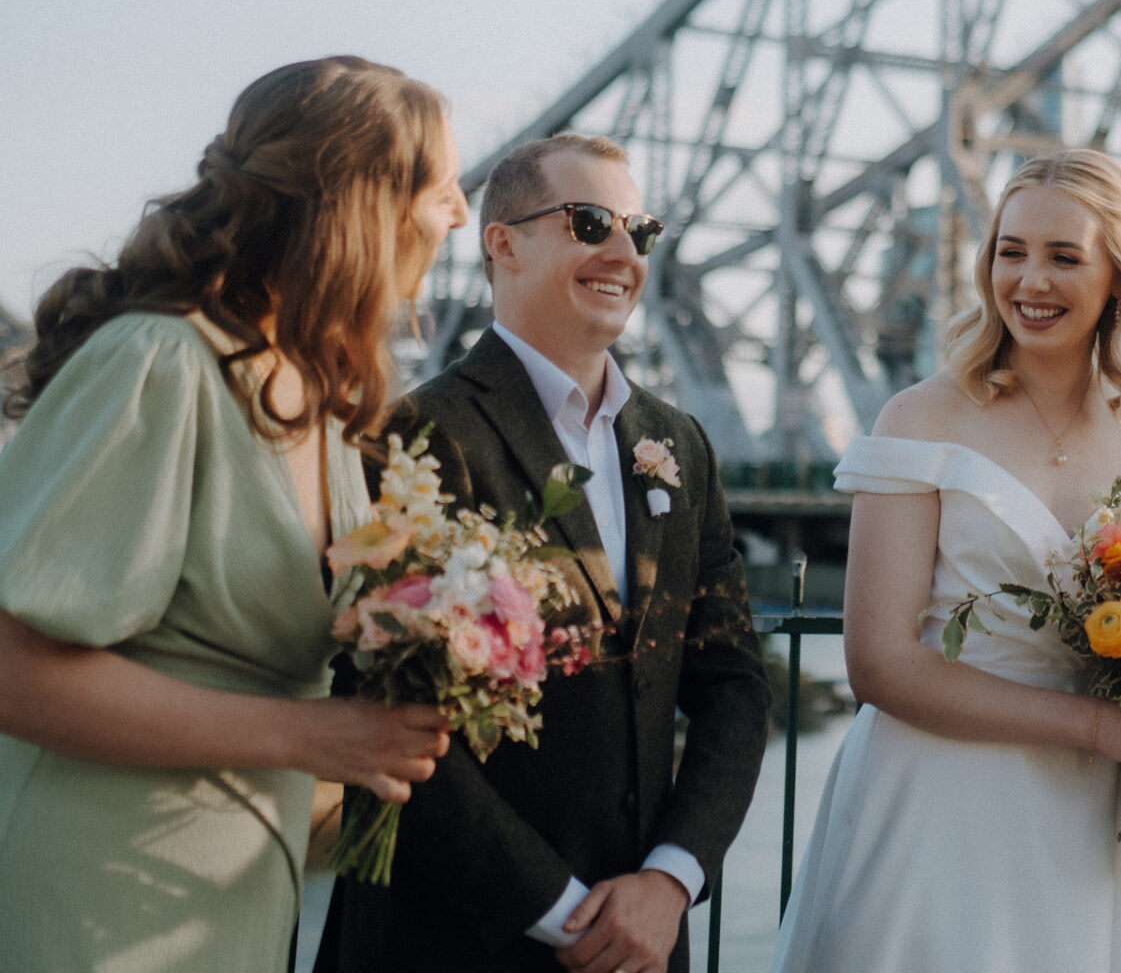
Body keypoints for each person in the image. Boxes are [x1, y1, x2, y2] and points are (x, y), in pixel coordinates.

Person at [0, 56, 464, 972]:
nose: (457, 215)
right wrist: (313, 736)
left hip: (230, 901)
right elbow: (14, 672)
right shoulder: (161, 363)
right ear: (363, 206)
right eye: (443, 190)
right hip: (97, 895)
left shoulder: (316, 401)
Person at [772, 148, 1121, 973]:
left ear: (1119, 279)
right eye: (1010, 251)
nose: (1029, 281)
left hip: (1091, 825)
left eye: (1064, 257)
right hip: (935, 807)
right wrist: (1105, 728)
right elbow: (878, 663)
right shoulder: (921, 418)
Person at [315, 132, 769, 973]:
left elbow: (734, 682)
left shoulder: (679, 442)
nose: (624, 252)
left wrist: (670, 881)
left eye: (643, 230)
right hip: (456, 939)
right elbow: (380, 710)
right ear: (503, 243)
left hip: (644, 937)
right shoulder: (415, 436)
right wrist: (564, 916)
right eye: (591, 221)